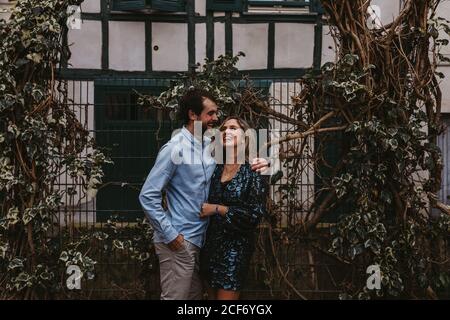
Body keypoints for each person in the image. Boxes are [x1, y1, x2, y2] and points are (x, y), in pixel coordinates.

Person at [139, 89, 268, 300]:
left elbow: (241, 159)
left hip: (201, 242)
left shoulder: (210, 146)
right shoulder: (174, 148)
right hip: (179, 239)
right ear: (193, 115)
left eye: (216, 113)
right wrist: (170, 234)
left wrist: (265, 163)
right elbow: (147, 196)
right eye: (211, 113)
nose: (216, 119)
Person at [199, 116, 269, 300]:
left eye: (233, 128)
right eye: (223, 129)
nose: (226, 131)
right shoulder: (214, 169)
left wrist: (218, 209)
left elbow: (254, 215)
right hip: (210, 247)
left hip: (235, 250)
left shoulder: (254, 170)